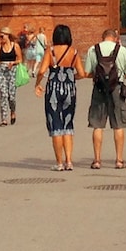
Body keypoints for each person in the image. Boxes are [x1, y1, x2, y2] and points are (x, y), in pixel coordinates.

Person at [83, 31, 126, 168]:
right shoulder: (122, 50)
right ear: (116, 38)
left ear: (102, 37)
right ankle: (119, 160)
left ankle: (97, 160)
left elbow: (86, 73)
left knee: (97, 125)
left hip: (99, 89)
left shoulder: (93, 49)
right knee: (118, 124)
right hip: (116, 89)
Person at [36, 25, 81, 170]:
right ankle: (69, 161)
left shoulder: (51, 51)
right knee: (68, 123)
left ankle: (59, 163)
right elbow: (82, 73)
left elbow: (42, 71)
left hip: (53, 90)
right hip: (70, 90)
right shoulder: (74, 52)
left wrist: (38, 84)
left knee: (56, 124)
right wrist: (71, 77)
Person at [0, 28, 22, 126]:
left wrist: (13, 63)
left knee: (11, 96)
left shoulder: (15, 46)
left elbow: (20, 59)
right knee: (3, 95)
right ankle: (4, 119)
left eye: (2, 36)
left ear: (8, 35)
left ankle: (13, 111)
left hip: (12, 71)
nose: (0, 38)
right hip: (1, 71)